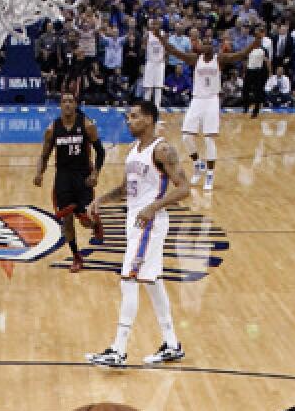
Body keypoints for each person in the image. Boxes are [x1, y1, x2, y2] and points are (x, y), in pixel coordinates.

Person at [84, 100, 190, 367]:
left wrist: (153, 207)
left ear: (149, 120)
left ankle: (118, 350)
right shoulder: (133, 151)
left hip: (149, 223)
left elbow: (183, 188)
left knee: (128, 279)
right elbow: (125, 189)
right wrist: (102, 200)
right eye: (128, 116)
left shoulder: (162, 149)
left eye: (134, 116)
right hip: (135, 221)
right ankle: (172, 344)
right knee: (153, 282)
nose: (129, 120)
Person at [154, 26, 254, 192]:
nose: (205, 45)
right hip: (197, 100)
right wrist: (160, 37)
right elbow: (173, 50)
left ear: (213, 47)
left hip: (212, 100)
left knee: (209, 139)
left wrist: (255, 43)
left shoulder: (219, 59)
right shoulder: (195, 59)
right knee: (186, 137)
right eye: (203, 43)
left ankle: (210, 174)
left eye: (208, 43)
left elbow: (240, 55)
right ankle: (198, 164)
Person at [33, 91, 106, 272]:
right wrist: (39, 173)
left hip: (82, 176)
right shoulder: (52, 129)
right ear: (60, 105)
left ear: (75, 105)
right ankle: (76, 257)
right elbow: (44, 155)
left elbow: (101, 152)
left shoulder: (87, 126)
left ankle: (96, 223)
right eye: (64, 101)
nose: (67, 104)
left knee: (85, 221)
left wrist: (95, 173)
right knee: (67, 220)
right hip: (63, 177)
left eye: (70, 101)